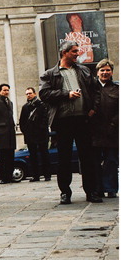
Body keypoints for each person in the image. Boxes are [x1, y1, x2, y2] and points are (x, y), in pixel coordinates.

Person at [39, 40, 101, 204]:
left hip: (83, 119)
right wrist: (67, 94)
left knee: (87, 157)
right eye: (74, 51)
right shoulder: (50, 74)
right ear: (64, 52)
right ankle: (65, 192)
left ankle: (91, 191)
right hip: (62, 121)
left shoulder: (84, 71)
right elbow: (44, 94)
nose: (77, 53)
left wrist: (93, 108)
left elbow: (96, 91)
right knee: (64, 158)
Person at [90, 59, 118, 198]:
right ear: (97, 72)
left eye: (108, 70)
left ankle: (111, 188)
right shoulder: (91, 88)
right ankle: (98, 188)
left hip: (111, 132)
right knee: (95, 161)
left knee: (111, 161)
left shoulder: (116, 89)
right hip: (94, 132)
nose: (105, 73)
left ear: (112, 72)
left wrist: (114, 124)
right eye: (102, 70)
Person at [18, 87, 51, 182]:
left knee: (44, 155)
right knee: (33, 156)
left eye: (30, 93)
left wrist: (40, 129)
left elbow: (46, 119)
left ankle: (47, 175)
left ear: (35, 94)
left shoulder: (42, 105)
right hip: (30, 136)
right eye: (27, 94)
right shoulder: (25, 107)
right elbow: (22, 122)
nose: (28, 95)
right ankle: (35, 175)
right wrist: (26, 132)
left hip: (41, 134)